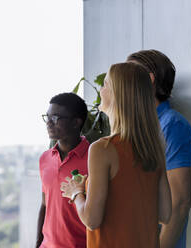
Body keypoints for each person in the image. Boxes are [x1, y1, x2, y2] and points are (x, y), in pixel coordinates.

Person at [60, 62, 172, 247]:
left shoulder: (103, 149)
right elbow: (165, 214)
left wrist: (77, 193)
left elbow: (92, 220)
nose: (101, 90)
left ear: (117, 95)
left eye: (105, 85)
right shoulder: (153, 148)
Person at [127, 49, 191, 248]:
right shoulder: (137, 129)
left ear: (149, 79)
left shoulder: (173, 126)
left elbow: (180, 203)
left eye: (129, 75)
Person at [36, 92, 89, 248]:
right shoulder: (45, 159)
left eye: (55, 118)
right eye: (47, 118)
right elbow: (45, 205)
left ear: (76, 122)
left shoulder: (95, 158)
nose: (49, 123)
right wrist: (38, 243)